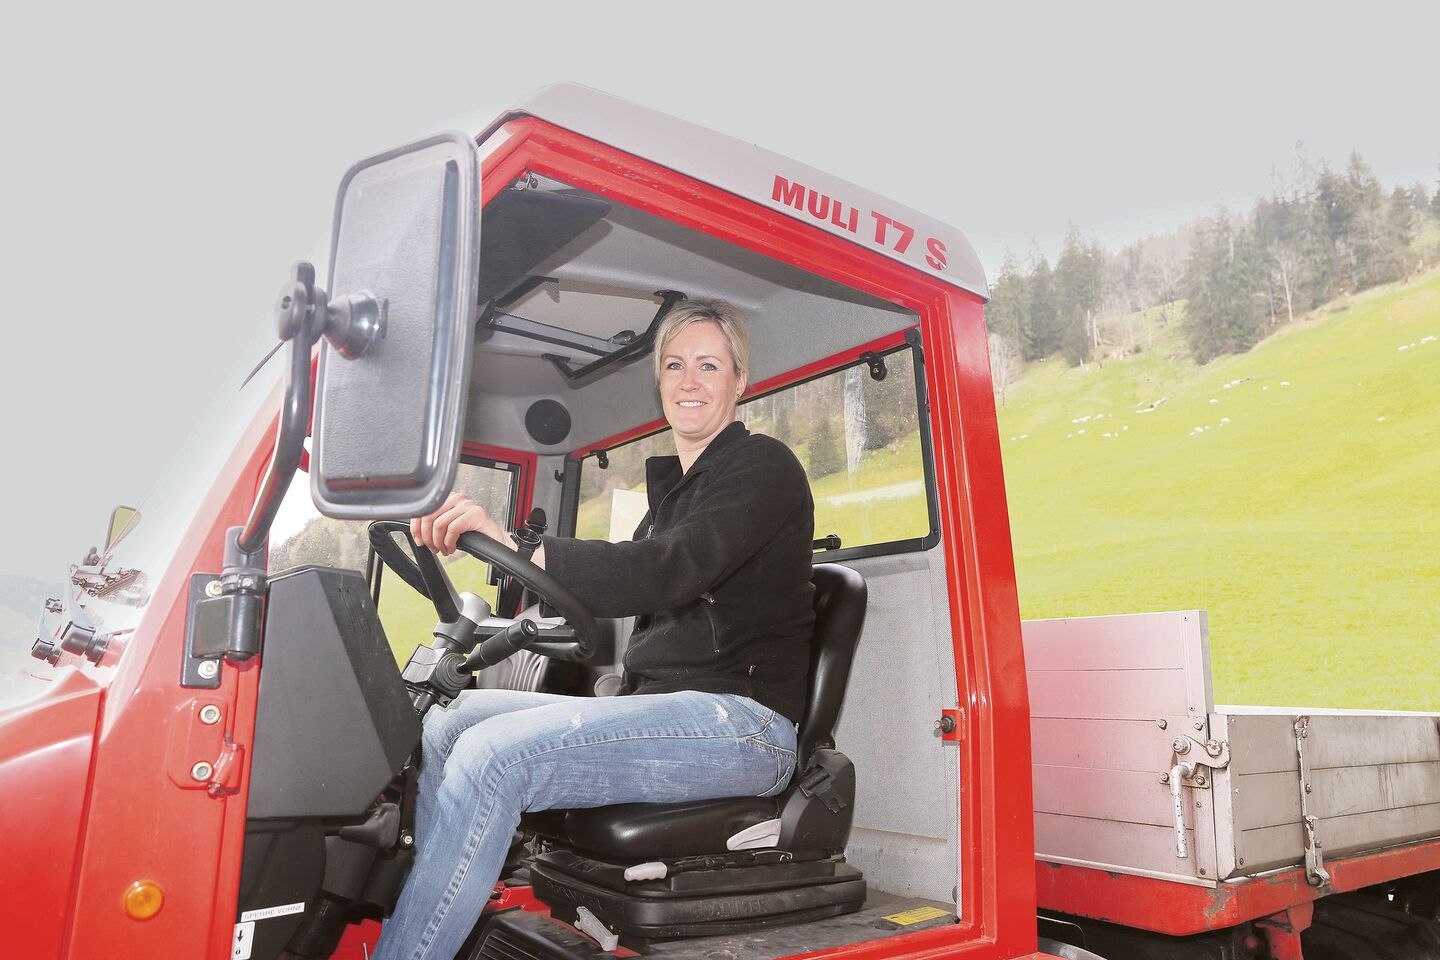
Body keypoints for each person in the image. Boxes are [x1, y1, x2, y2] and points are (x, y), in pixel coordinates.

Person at [372, 298, 816, 960]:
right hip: (670, 709)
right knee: (449, 720)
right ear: (660, 381)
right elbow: (634, 575)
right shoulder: (673, 499)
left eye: (709, 365)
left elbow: (667, 570)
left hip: (744, 725)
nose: (690, 381)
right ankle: (446, 905)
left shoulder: (763, 467)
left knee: (494, 756)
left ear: (739, 380)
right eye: (674, 365)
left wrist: (526, 548)